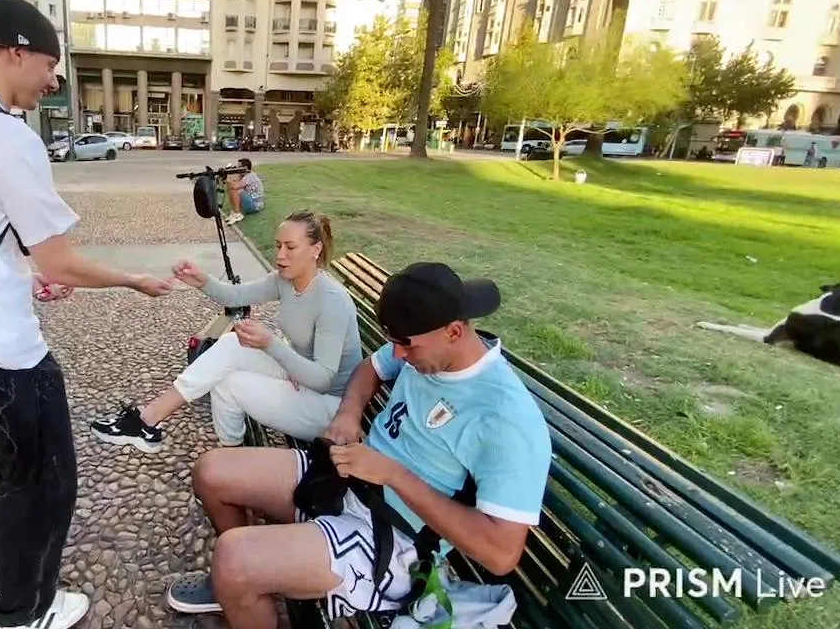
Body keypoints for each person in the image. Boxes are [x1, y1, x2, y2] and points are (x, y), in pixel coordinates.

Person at [0, 0, 174, 629]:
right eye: (50, 66)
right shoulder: (6, 135)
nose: (53, 82)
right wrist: (133, 280)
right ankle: (23, 612)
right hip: (1, 352)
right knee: (40, 481)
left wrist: (23, 273)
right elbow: (62, 261)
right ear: (17, 53)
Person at [162, 262, 552, 629]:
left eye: (406, 345)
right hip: (348, 476)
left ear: (453, 332)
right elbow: (371, 368)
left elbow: (501, 555)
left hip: (396, 538)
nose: (398, 355)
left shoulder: (505, 418)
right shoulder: (425, 346)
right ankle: (239, 590)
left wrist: (393, 475)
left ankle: (238, 581)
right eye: (394, 342)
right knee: (211, 472)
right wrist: (348, 414)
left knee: (234, 559)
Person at [90, 211, 362, 453]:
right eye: (278, 245)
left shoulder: (331, 300)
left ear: (315, 249)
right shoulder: (286, 281)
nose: (280, 255)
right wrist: (202, 280)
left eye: (290, 247)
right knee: (232, 344)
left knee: (228, 383)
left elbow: (323, 379)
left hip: (331, 407)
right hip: (299, 376)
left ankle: (232, 459)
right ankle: (147, 420)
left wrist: (270, 344)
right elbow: (236, 296)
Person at [223, 157, 265, 225]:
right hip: (251, 202)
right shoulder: (245, 175)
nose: (237, 169)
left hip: (255, 205)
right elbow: (233, 184)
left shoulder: (249, 176)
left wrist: (226, 179)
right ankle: (234, 212)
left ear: (245, 167)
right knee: (231, 188)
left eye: (239, 167)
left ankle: (237, 214)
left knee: (235, 189)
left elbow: (235, 186)